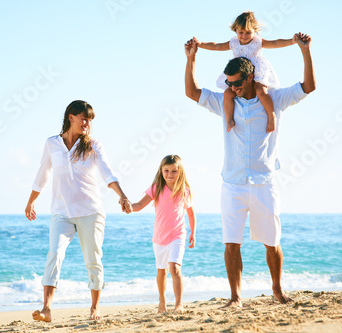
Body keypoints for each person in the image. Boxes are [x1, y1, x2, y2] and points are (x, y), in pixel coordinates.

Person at [184, 32, 315, 308]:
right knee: (231, 243)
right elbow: (192, 92)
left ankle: (277, 290)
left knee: (272, 242)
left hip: (265, 183)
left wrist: (305, 51)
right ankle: (235, 298)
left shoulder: (274, 100)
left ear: (251, 77)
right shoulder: (225, 101)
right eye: (229, 84)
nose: (233, 88)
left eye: (238, 83)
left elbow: (308, 87)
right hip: (232, 184)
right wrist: (191, 59)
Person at [25, 100, 131, 322]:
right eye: (84, 118)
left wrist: (122, 195)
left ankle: (94, 308)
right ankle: (46, 308)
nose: (87, 123)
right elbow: (42, 173)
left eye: (90, 120)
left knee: (93, 259)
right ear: (71, 117)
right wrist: (31, 201)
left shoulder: (93, 145)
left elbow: (107, 173)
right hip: (61, 212)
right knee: (54, 253)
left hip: (90, 212)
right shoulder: (52, 143)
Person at [194, 11, 299, 133]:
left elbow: (275, 43)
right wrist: (200, 44)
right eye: (241, 32)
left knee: (261, 91)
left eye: (248, 32)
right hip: (240, 73)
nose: (244, 36)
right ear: (236, 31)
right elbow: (217, 46)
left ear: (254, 31)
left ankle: (271, 116)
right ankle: (229, 119)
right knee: (228, 94)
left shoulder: (257, 42)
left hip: (256, 73)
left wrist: (292, 41)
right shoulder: (234, 42)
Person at [126, 155, 196, 313]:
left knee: (175, 268)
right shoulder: (156, 188)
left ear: (180, 172)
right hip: (159, 237)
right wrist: (130, 207)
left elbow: (191, 213)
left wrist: (193, 232)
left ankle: (179, 304)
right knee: (162, 271)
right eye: (166, 171)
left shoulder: (184, 191)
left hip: (178, 235)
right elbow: (139, 205)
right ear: (161, 171)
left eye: (174, 171)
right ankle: (162, 302)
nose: (170, 174)